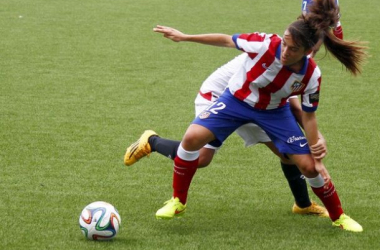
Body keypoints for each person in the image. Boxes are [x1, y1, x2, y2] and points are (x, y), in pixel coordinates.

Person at [151, 0, 367, 232]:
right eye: (284, 44)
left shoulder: (312, 74)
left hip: (275, 112)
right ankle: (178, 201)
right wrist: (185, 37)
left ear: (308, 52)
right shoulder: (265, 43)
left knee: (309, 167)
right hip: (235, 101)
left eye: (292, 49)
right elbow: (226, 39)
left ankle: (338, 216)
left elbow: (308, 114)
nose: (285, 51)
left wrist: (317, 155)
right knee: (193, 138)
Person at [124, 53, 329, 217]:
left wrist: (308, 144)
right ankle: (151, 141)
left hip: (258, 104)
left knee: (287, 154)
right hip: (222, 97)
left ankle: (303, 205)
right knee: (202, 158)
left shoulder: (299, 58)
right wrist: (314, 143)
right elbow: (295, 107)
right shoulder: (280, 55)